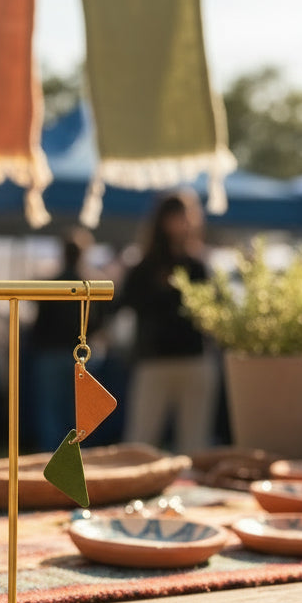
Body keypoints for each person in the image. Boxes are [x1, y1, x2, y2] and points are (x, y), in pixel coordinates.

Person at [115, 191, 216, 453]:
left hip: (194, 360)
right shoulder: (145, 267)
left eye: (184, 217)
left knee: (195, 441)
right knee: (141, 439)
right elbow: (125, 303)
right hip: (154, 361)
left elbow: (213, 310)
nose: (180, 224)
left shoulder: (198, 266)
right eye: (174, 217)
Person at [28, 227, 94, 451]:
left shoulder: (53, 284)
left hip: (51, 353)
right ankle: (74, 457)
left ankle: (52, 456)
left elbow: (39, 322)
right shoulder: (90, 287)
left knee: (51, 411)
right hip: (80, 355)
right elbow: (98, 321)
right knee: (77, 411)